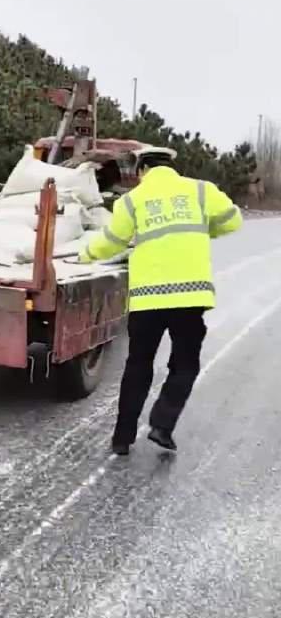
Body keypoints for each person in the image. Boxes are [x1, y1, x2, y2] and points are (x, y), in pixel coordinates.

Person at [78, 148, 242, 455]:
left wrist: (85, 255)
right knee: (184, 365)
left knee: (138, 365)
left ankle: (122, 439)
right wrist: (206, 229)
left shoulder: (132, 200)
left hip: (147, 300)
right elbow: (233, 221)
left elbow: (113, 240)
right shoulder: (201, 191)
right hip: (190, 298)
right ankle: (162, 425)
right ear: (171, 167)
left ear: (142, 170)